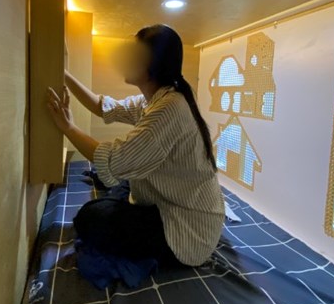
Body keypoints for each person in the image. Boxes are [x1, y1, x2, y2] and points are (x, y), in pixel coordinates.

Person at [46, 24, 224, 267]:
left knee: (90, 218)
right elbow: (102, 106)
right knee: (115, 191)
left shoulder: (170, 107)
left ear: (152, 64)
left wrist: (67, 127)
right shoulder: (154, 98)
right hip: (166, 201)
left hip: (187, 228)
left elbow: (113, 160)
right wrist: (63, 73)